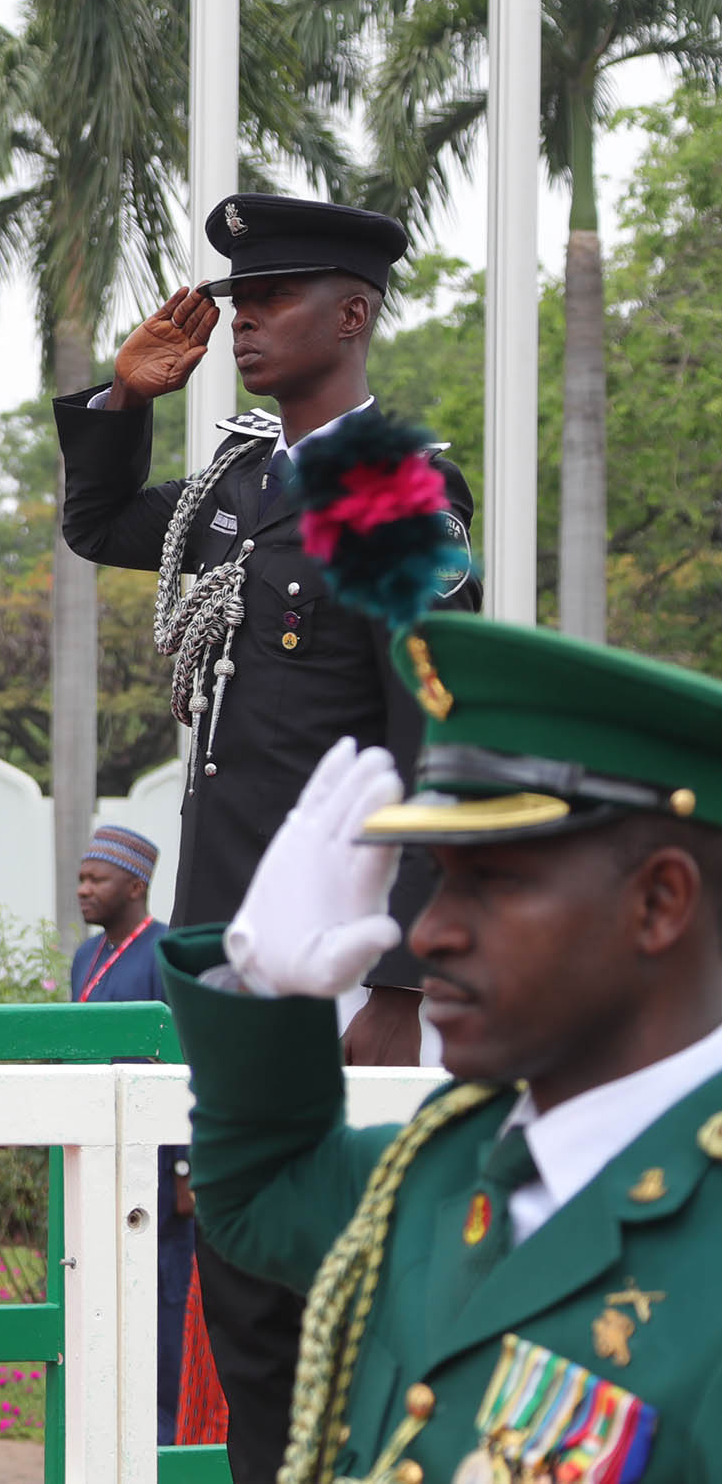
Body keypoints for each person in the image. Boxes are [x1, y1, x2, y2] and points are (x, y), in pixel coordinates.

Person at [53, 192, 481, 1481]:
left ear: (350, 315)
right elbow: (101, 527)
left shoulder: (397, 488)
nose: (242, 321)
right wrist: (120, 403)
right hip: (233, 941)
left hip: (350, 949)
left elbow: (428, 733)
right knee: (244, 1281)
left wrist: (398, 980)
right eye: (235, 301)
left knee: (360, 1275)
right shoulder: (240, 479)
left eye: (272, 298)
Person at [163, 616, 722, 1483]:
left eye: (492, 884)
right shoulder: (442, 1162)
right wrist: (268, 993)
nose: (429, 932)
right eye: (436, 878)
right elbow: (258, 1194)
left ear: (658, 903)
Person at [67, 824, 193, 1444]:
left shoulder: (166, 952)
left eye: (97, 879)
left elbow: (187, 1063)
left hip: (159, 1161)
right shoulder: (84, 958)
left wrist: (186, 1171)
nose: (83, 890)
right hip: (94, 1151)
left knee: (159, 1299)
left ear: (136, 886)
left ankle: (159, 1439)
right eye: (83, 878)